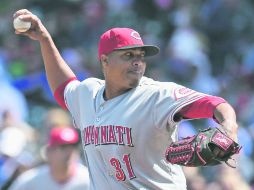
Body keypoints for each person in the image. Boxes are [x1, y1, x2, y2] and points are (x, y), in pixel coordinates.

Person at [13, 9, 239, 190]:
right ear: (105, 61)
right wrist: (44, 39)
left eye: (141, 57)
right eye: (128, 55)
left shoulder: (157, 95)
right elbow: (63, 88)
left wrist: (229, 128)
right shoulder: (87, 94)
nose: (138, 62)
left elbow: (215, 104)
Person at [9, 126, 90, 190]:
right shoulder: (30, 180)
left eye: (73, 146)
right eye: (63, 147)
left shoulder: (89, 180)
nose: (70, 152)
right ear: (49, 152)